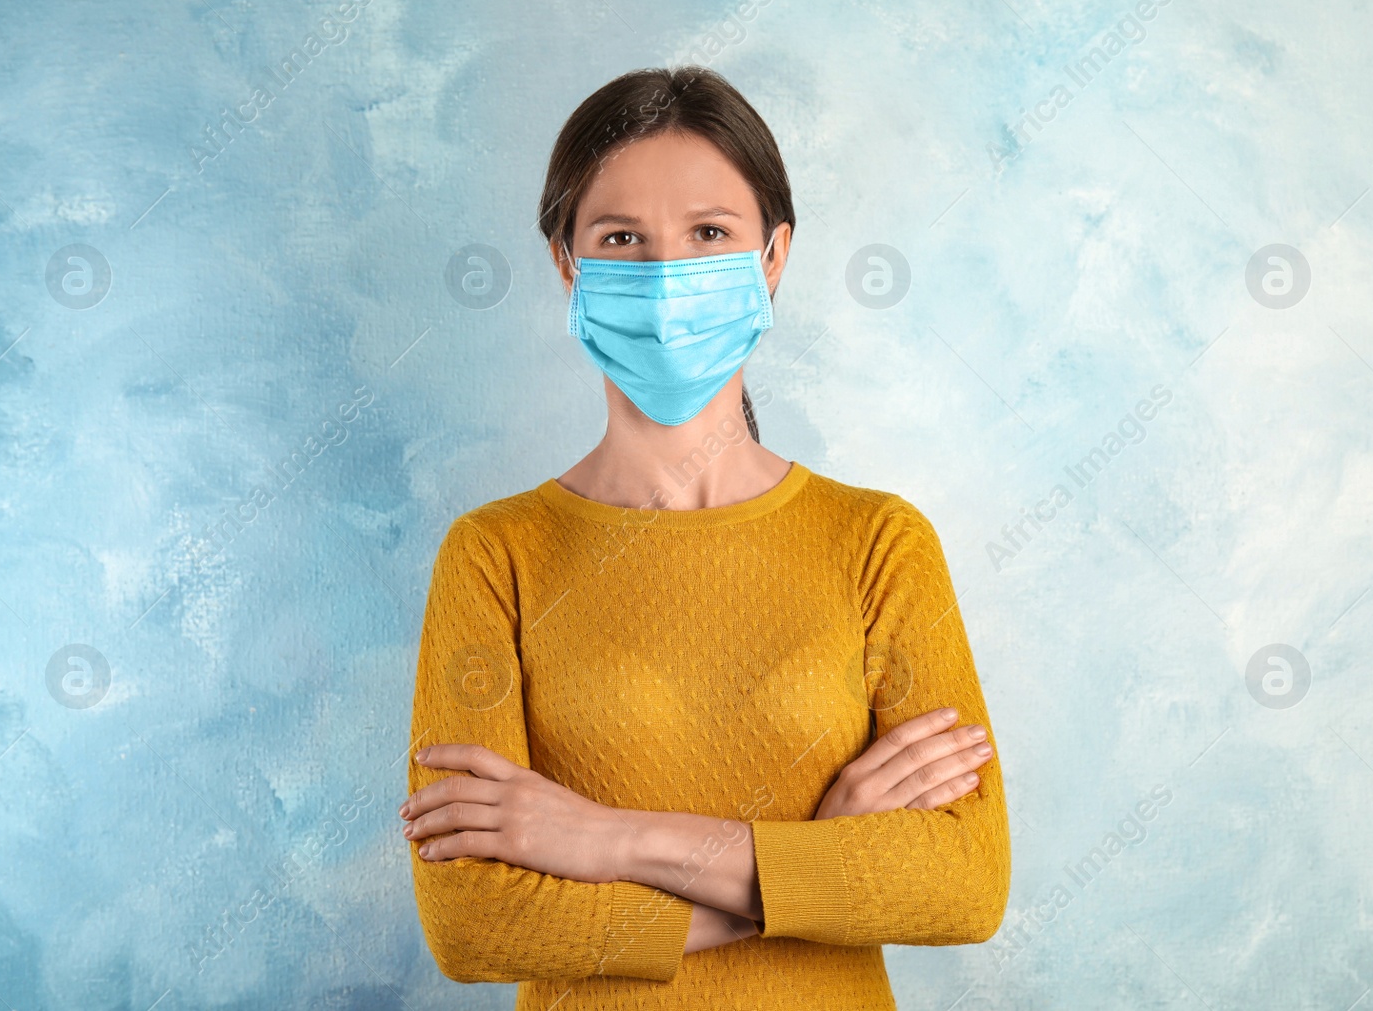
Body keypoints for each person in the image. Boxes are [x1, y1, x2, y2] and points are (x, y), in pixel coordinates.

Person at [398, 66, 1010, 1010]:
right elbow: (474, 922)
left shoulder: (880, 544)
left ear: (772, 258)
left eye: (709, 234)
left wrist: (607, 839)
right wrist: (807, 866)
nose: (665, 274)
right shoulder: (496, 555)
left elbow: (962, 880)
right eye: (621, 238)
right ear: (568, 262)